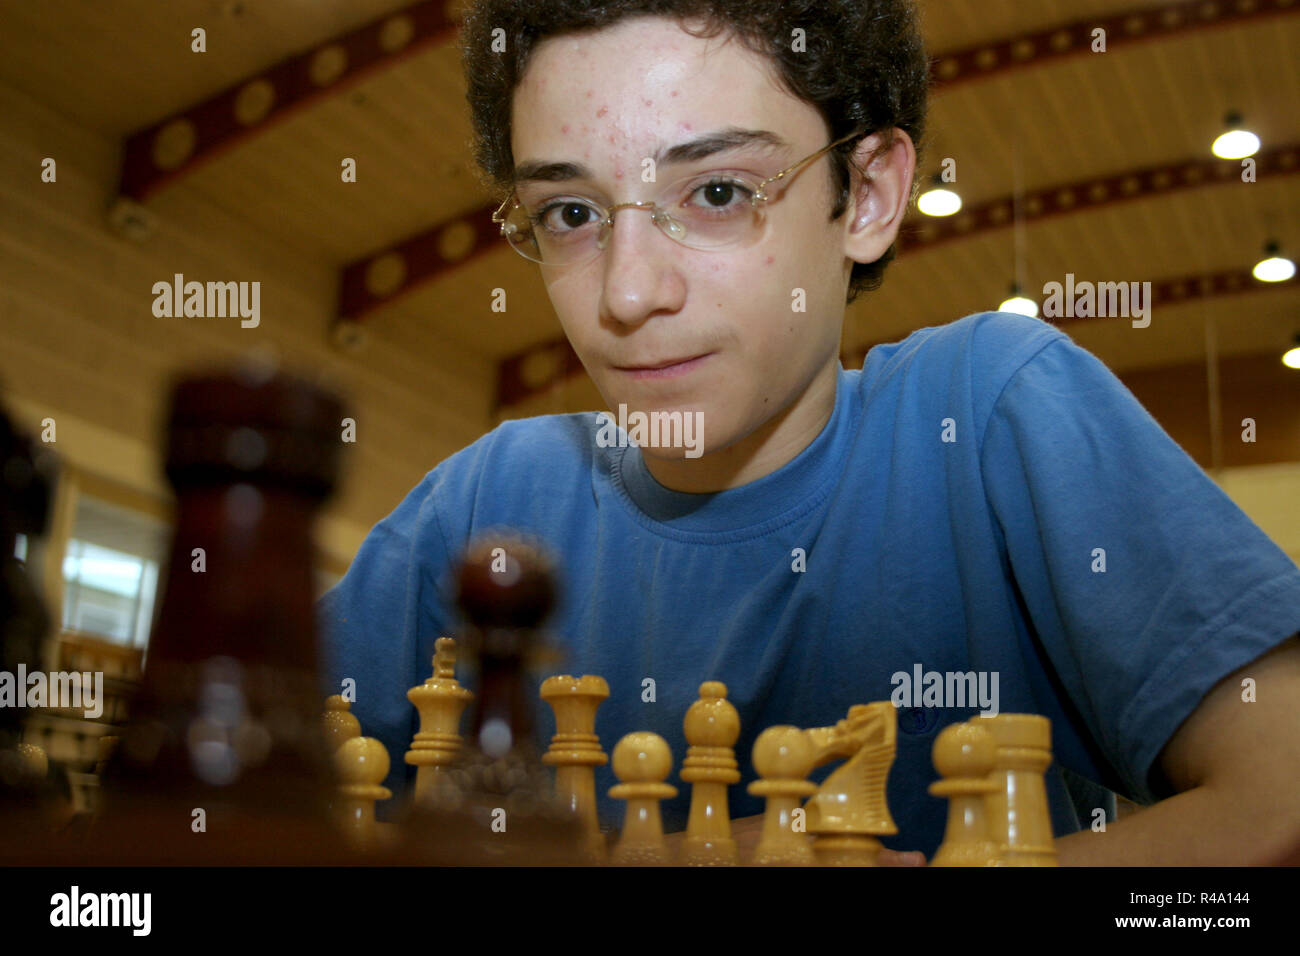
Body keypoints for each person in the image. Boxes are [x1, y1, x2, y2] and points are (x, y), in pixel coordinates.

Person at [318, 0, 1300, 864]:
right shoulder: (483, 509)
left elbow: (1279, 796)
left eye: (715, 193)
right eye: (570, 211)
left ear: (867, 196)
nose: (624, 293)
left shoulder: (987, 412)